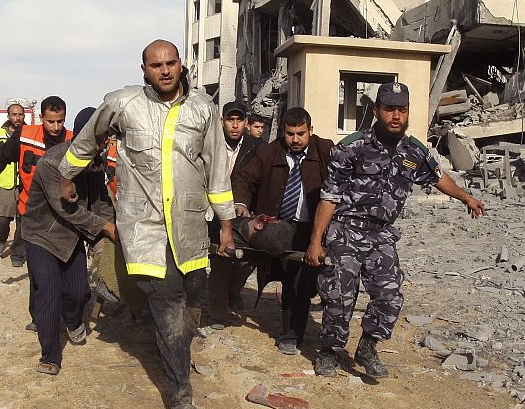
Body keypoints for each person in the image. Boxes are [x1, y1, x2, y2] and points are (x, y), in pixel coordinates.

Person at [56, 39, 236, 409]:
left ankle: (176, 345)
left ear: (181, 64)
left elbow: (217, 168)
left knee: (190, 298)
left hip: (188, 226)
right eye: (156, 65)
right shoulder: (124, 104)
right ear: (144, 70)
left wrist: (225, 225)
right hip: (143, 228)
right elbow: (89, 137)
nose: (165, 70)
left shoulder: (203, 109)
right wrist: (67, 175)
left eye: (171, 62)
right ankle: (180, 393)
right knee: (167, 304)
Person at [304, 82, 485, 378]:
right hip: (346, 231)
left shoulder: (414, 151)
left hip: (381, 235)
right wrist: (316, 242)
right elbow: (330, 197)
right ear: (377, 112)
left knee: (390, 296)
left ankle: (368, 347)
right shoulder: (352, 148)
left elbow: (437, 177)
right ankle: (329, 351)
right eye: (389, 110)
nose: (396, 116)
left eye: (401, 110)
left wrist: (466, 197)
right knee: (339, 296)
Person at [22, 107, 116, 376]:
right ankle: (50, 355)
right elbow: (67, 210)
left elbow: (100, 201)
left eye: (105, 139)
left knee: (78, 293)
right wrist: (106, 227)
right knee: (49, 292)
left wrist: (112, 228)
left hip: (72, 238)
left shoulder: (96, 163)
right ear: (83, 136)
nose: (103, 144)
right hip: (42, 236)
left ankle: (73, 321)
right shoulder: (54, 162)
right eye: (99, 138)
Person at [232, 107, 334, 355]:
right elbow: (244, 179)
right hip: (278, 226)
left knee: (312, 281)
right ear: (283, 132)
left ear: (311, 131)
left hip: (314, 227)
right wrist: (241, 203)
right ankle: (291, 333)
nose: (296, 140)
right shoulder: (269, 152)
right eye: (290, 134)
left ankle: (328, 336)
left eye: (301, 134)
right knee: (293, 279)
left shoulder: (326, 151)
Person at [0, 96, 73, 334]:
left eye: (60, 121)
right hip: (30, 215)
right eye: (51, 121)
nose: (56, 127)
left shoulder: (73, 140)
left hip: (63, 218)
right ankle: (40, 317)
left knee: (64, 271)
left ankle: (67, 314)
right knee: (38, 272)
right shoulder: (25, 136)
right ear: (41, 118)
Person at [207, 101, 262, 329]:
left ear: (246, 123)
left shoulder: (256, 148)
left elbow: (257, 181)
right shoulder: (211, 144)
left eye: (239, 120)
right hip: (212, 210)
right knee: (220, 260)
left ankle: (234, 291)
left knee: (248, 259)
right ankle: (218, 313)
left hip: (242, 212)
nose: (235, 125)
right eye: (231, 120)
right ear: (223, 122)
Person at [0, 103, 26, 260]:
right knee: (2, 221)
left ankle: (17, 253)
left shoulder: (29, 134)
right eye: (14, 114)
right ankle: (2, 239)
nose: (18, 117)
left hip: (25, 185)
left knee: (23, 222)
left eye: (20, 114)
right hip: (4, 185)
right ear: (9, 116)